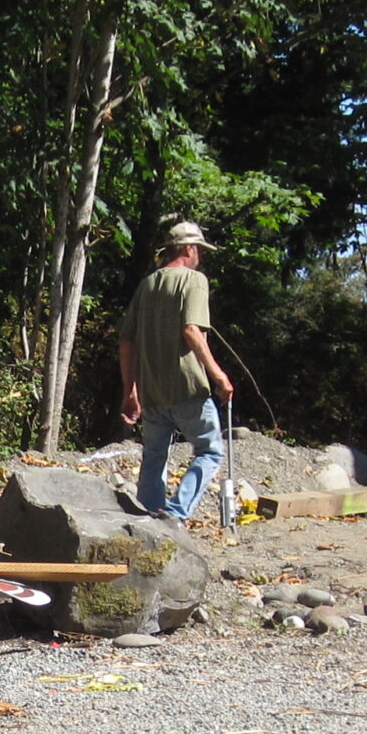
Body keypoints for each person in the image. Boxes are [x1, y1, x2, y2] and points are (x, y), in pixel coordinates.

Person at [117, 220, 234, 522]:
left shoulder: (147, 285)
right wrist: (218, 375)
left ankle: (147, 523)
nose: (201, 257)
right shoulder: (194, 280)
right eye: (200, 251)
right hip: (188, 389)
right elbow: (191, 331)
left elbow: (126, 339)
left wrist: (131, 391)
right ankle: (176, 514)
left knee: (154, 459)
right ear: (189, 249)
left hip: (152, 392)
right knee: (210, 452)